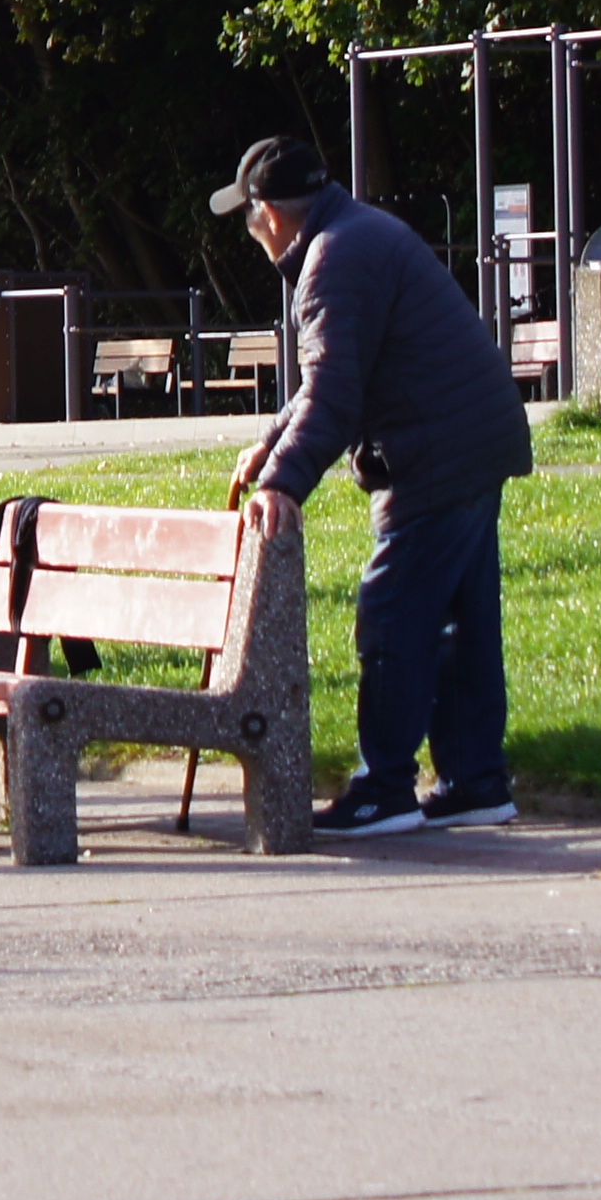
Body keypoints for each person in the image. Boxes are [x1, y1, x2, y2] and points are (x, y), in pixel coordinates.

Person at [219, 135, 539, 836]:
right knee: (457, 620)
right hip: (474, 439)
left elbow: (333, 393)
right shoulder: (355, 234)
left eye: (247, 220)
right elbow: (336, 382)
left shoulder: (333, 260)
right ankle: (474, 779)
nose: (252, 234)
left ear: (268, 214)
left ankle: (385, 787)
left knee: (392, 611)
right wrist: (272, 444)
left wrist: (283, 484)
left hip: (436, 450)